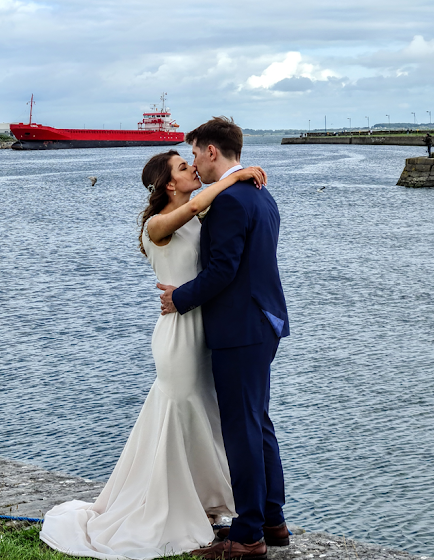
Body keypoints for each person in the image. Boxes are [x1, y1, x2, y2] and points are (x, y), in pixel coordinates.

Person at [39, 150, 267, 560]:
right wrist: (234, 176)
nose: (192, 169)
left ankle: (203, 504)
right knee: (181, 413)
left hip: (206, 329)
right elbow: (198, 203)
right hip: (178, 334)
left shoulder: (202, 217)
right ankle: (168, 509)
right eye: (183, 168)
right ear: (167, 184)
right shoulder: (156, 226)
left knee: (206, 418)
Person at [158, 117, 290, 560]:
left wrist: (180, 298)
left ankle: (248, 535)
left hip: (240, 328)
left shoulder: (233, 200)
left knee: (241, 429)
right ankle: (272, 520)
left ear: (212, 151)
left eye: (195, 153)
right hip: (262, 323)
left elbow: (222, 270)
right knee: (258, 423)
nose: (194, 161)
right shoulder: (259, 193)